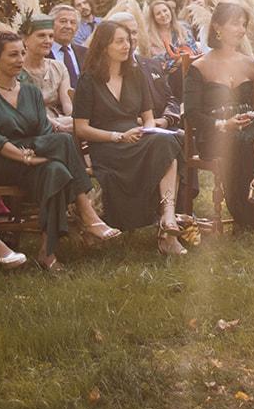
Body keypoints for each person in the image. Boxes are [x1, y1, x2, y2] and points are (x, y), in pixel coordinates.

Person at [0, 31, 118, 269]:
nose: (20, 59)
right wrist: (26, 157)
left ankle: (46, 253)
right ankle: (87, 212)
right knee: (62, 142)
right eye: (12, 55)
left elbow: (43, 131)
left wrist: (35, 157)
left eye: (22, 53)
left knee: (57, 170)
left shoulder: (30, 92)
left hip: (34, 157)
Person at [72, 20, 187, 257]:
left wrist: (146, 131)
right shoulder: (88, 80)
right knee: (167, 149)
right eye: (120, 41)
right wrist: (117, 137)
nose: (127, 46)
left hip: (137, 137)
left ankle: (167, 216)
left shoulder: (136, 75)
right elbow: (81, 128)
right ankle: (166, 224)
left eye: (128, 41)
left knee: (166, 142)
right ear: (104, 46)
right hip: (106, 143)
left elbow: (147, 117)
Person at [183, 2, 254, 235]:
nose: (241, 29)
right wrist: (224, 124)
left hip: (250, 123)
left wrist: (253, 115)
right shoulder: (199, 67)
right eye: (235, 23)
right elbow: (192, 113)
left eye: (244, 24)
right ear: (217, 26)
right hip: (216, 131)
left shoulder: (251, 64)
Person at [20, 18, 73, 131]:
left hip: (61, 120)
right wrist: (58, 126)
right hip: (31, 125)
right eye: (41, 35)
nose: (48, 40)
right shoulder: (16, 70)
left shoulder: (58, 67)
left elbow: (67, 103)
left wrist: (74, 119)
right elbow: (26, 109)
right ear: (25, 39)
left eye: (51, 36)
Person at [49, 4, 85, 86]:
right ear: (51, 24)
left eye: (73, 22)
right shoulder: (42, 53)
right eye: (63, 21)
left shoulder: (85, 53)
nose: (68, 26)